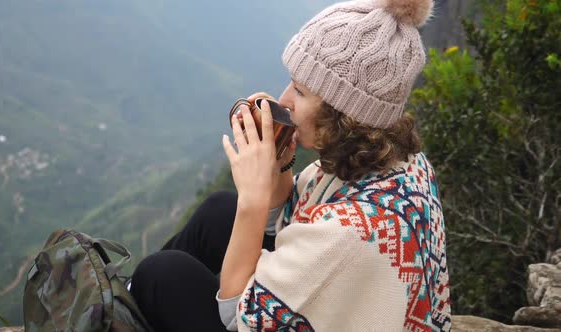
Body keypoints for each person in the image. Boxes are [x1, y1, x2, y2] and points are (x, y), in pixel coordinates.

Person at [129, 0, 451, 330]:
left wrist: (252, 200)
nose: (284, 101)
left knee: (160, 275)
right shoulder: (400, 162)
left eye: (299, 90)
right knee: (218, 211)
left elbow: (238, 315)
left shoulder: (350, 233)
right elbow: (296, 222)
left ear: (343, 111)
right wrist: (281, 166)